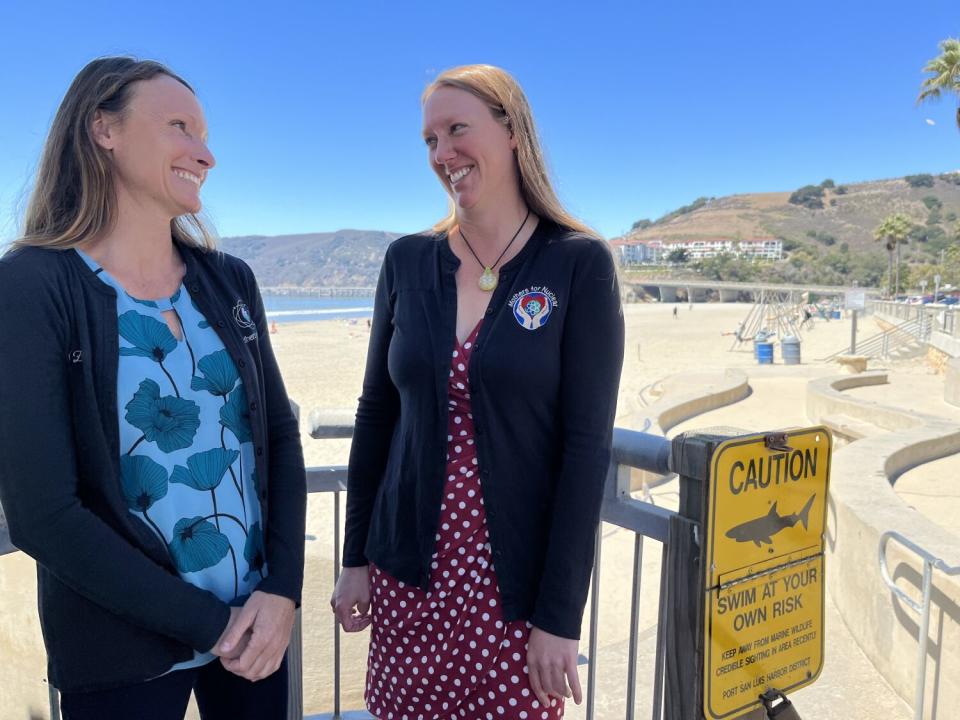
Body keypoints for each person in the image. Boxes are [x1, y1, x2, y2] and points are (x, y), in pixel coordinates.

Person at [0, 58, 306, 720]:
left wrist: (283, 591)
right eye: (180, 127)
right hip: (122, 649)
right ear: (103, 129)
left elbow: (277, 435)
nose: (207, 153)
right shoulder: (31, 286)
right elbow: (42, 513)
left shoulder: (229, 281)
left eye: (204, 133)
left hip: (255, 635)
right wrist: (211, 624)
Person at [330, 64, 624, 719]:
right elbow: (377, 417)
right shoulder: (407, 260)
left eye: (457, 129)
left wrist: (560, 615)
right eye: (429, 140)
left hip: (515, 597)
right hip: (408, 581)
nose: (442, 154)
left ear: (512, 131)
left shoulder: (576, 263)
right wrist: (354, 560)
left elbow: (585, 449)